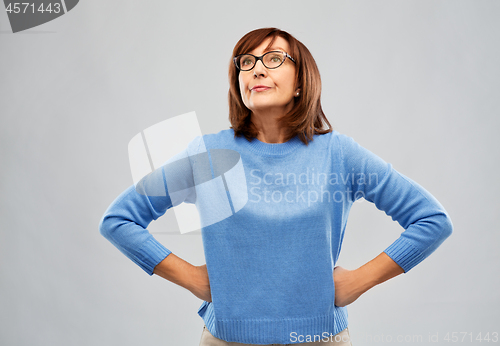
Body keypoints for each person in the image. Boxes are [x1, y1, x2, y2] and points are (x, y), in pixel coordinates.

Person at [99, 28, 453, 346]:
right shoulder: (208, 155)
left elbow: (432, 220)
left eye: (274, 58)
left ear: (301, 81)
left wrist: (359, 281)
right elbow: (118, 219)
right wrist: (191, 277)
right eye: (247, 62)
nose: (257, 68)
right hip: (226, 341)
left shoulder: (339, 154)